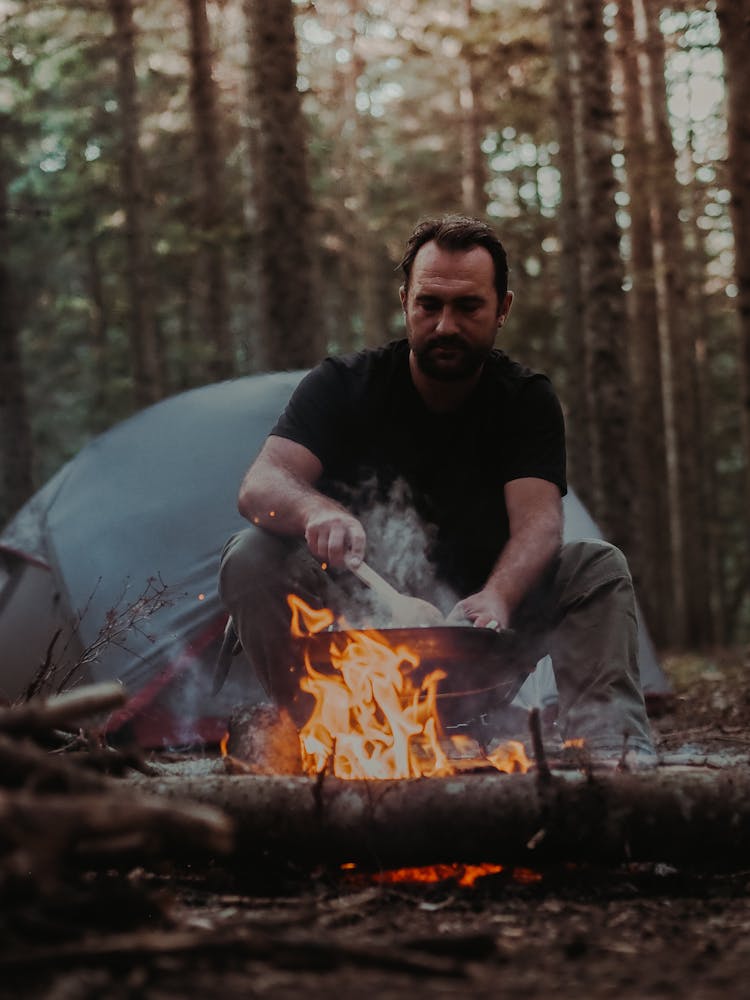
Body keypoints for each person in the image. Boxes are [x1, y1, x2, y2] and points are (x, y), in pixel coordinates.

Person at [219, 215, 655, 765]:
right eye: (430, 305)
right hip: (352, 649)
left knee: (596, 565)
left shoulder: (524, 400)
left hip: (481, 642)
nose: (446, 325)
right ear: (405, 302)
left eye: (468, 307)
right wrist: (314, 511)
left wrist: (497, 596)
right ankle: (322, 746)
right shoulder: (342, 386)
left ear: (503, 309)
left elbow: (540, 522)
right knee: (252, 555)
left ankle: (611, 759)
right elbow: (260, 484)